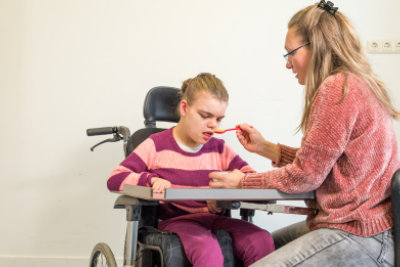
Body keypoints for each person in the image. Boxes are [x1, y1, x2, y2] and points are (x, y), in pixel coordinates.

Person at [209, 1, 400, 266]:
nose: (288, 63)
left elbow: (306, 176)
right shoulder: (353, 83)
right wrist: (267, 148)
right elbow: (328, 163)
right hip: (368, 228)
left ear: (317, 46)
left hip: (361, 233)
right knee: (255, 249)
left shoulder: (337, 89)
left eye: (291, 53)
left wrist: (241, 182)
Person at [107, 72, 274, 267]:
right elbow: (115, 178)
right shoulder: (155, 145)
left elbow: (250, 179)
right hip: (177, 222)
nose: (213, 124)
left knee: (261, 240)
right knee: (208, 251)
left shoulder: (220, 149)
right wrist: (149, 180)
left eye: (219, 119)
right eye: (205, 116)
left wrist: (224, 194)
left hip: (214, 219)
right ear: (185, 107)